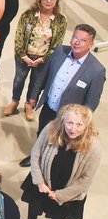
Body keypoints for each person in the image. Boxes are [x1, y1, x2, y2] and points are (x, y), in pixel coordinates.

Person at [18, 105, 100, 219]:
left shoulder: (93, 147)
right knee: (34, 206)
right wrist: (39, 182)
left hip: (68, 191)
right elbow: (35, 154)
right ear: (63, 120)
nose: (73, 129)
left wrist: (60, 195)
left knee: (59, 214)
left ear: (86, 125)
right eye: (70, 123)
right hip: (43, 182)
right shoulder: (51, 129)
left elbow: (86, 179)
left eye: (79, 125)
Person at [19, 23, 105, 167]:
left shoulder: (97, 71)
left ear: (91, 44)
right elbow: (43, 75)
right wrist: (33, 96)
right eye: (75, 37)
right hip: (49, 107)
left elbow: (92, 101)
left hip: (68, 118)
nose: (77, 42)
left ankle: (50, 163)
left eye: (83, 40)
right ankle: (37, 155)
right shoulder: (59, 51)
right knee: (42, 133)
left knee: (61, 142)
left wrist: (81, 123)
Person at [4, 0, 67, 121]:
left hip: (43, 60)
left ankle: (29, 105)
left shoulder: (61, 20)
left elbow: (57, 44)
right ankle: (14, 101)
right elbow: (19, 36)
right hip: (24, 57)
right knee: (19, 80)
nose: (48, 1)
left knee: (36, 84)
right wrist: (23, 56)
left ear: (57, 0)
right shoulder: (28, 15)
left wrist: (44, 59)